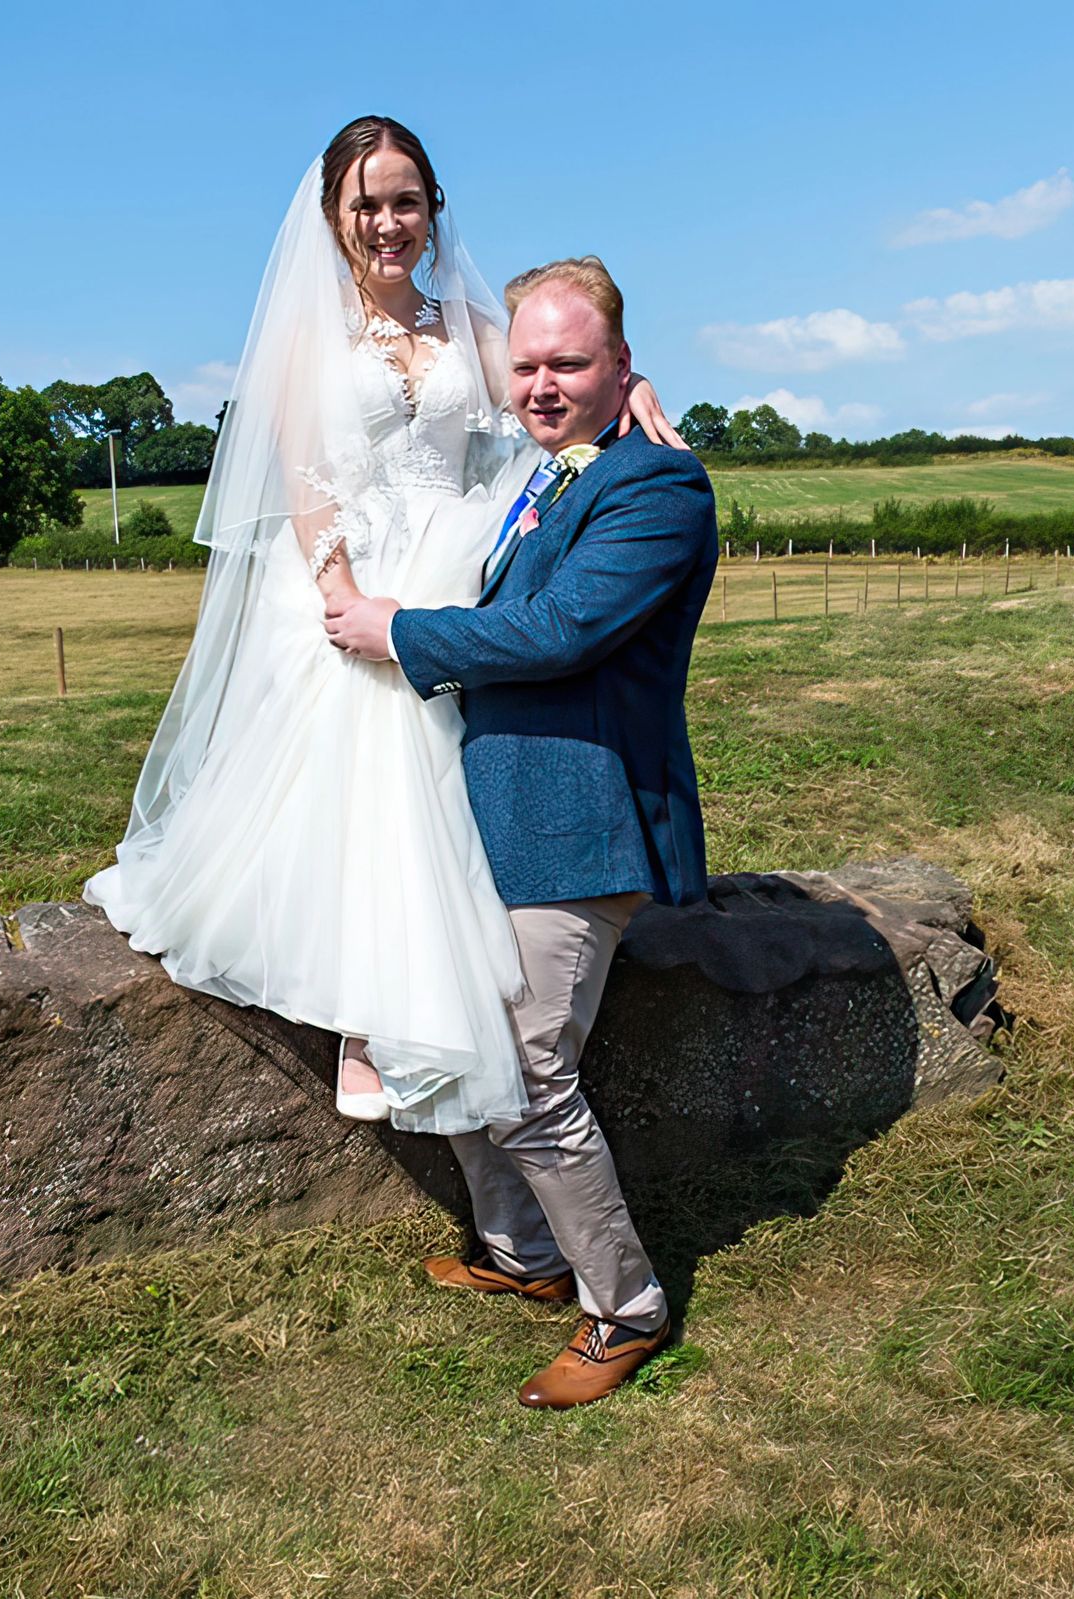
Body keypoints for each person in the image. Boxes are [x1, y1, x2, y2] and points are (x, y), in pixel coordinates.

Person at [84, 116, 682, 1139]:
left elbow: (553, 380)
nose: (388, 222)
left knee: (459, 766)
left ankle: (471, 985)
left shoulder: (468, 326)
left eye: (407, 200)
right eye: (366, 203)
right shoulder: (301, 337)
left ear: (432, 211)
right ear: (333, 216)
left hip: (449, 566)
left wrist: (631, 383)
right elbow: (304, 486)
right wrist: (347, 601)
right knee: (373, 750)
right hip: (343, 571)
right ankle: (367, 1019)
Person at [325, 257, 719, 1408]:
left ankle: (626, 1309)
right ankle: (524, 1256)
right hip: (484, 812)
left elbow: (559, 630)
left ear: (621, 366)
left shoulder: (657, 487)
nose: (542, 384)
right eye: (529, 364)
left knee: (529, 1074)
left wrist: (399, 629)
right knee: (460, 1039)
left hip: (576, 823)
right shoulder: (542, 471)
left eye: (571, 364)